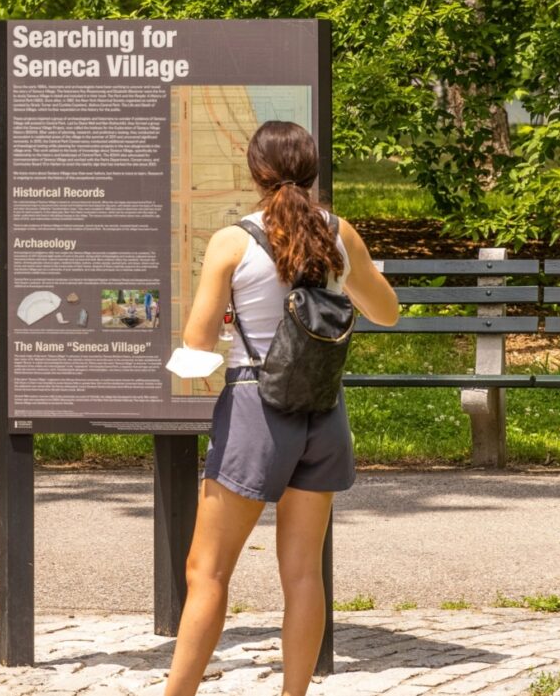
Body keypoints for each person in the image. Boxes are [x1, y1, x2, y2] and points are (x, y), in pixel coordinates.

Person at [164, 121, 398, 696]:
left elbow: (196, 343)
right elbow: (387, 312)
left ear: (255, 172)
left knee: (207, 571)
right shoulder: (339, 233)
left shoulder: (233, 241)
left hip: (255, 409)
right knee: (302, 573)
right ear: (312, 168)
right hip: (323, 410)